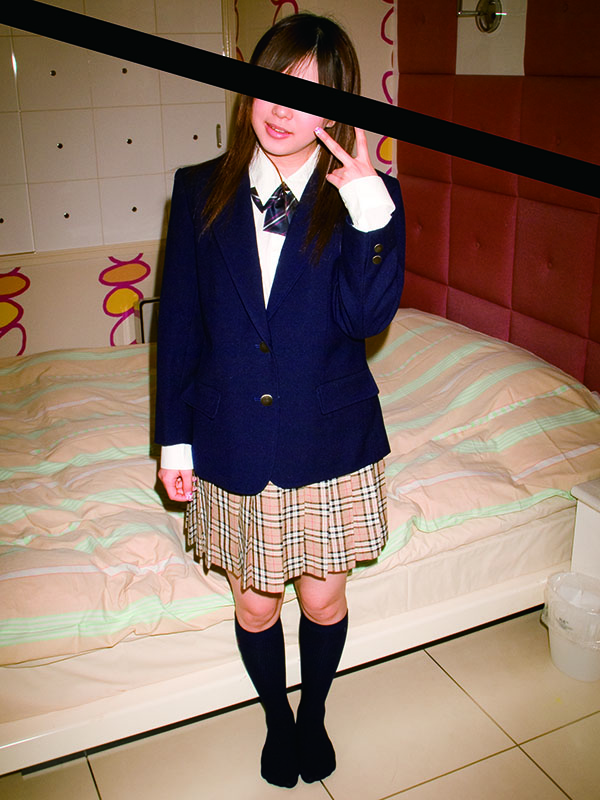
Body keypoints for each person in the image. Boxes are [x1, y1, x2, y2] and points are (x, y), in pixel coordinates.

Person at [155, 12, 405, 789]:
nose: (281, 108)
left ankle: (315, 713)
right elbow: (180, 327)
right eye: (271, 85)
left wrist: (368, 210)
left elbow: (367, 320)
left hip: (326, 439)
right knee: (256, 609)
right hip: (230, 434)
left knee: (323, 604)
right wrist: (174, 439)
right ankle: (275, 718)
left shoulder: (370, 199)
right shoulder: (198, 188)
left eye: (308, 94)